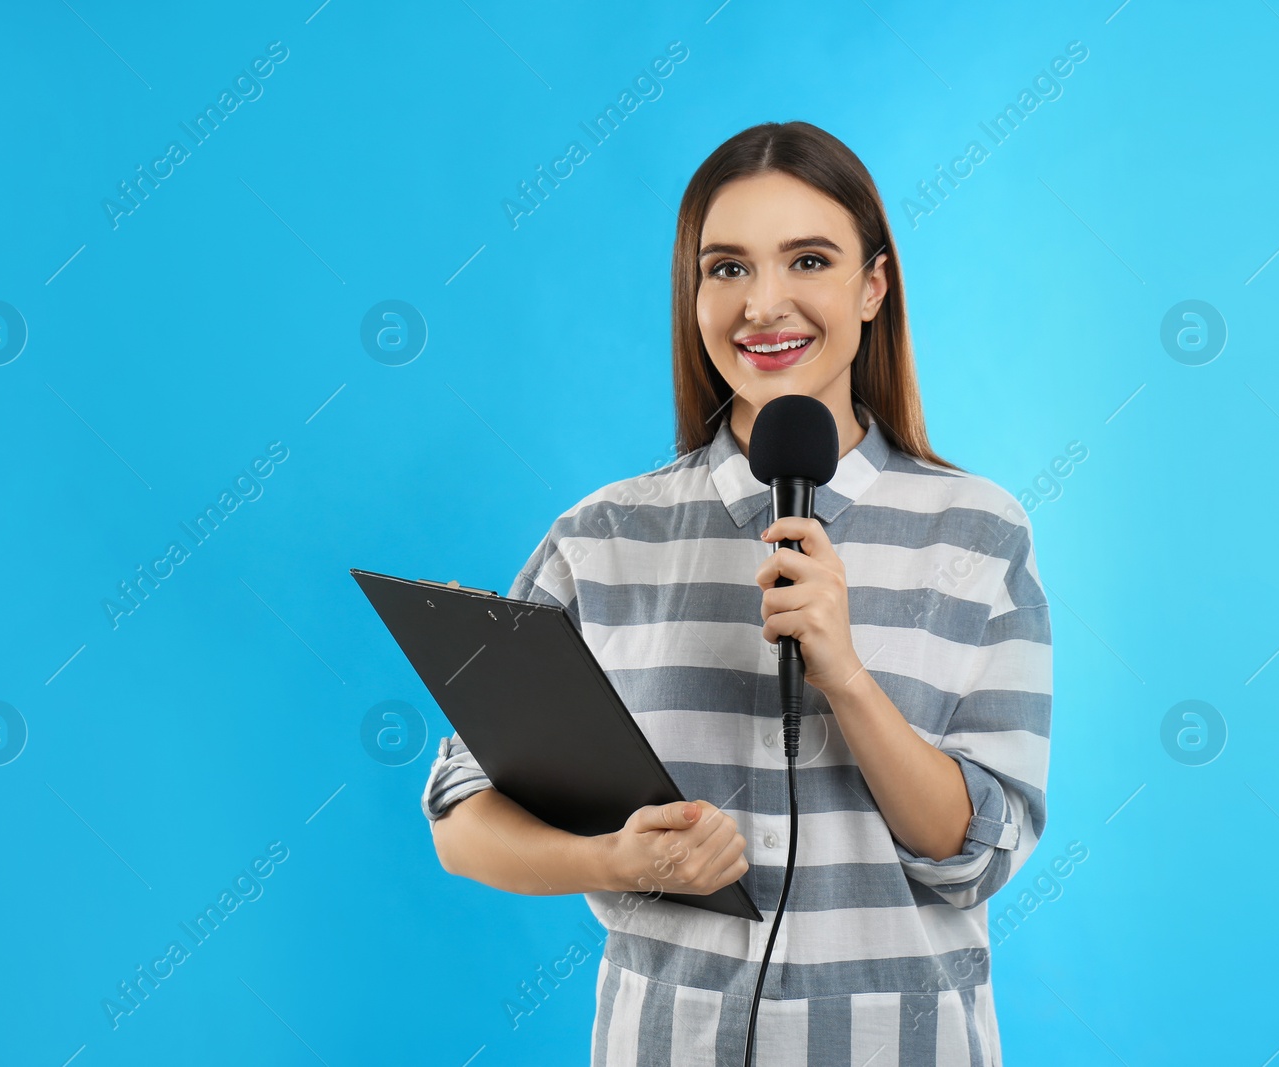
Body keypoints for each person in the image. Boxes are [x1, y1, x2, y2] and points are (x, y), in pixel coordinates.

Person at [422, 120, 1052, 1067]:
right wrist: (616, 862)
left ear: (873, 285)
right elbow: (462, 817)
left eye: (808, 259)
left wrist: (846, 676)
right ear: (693, 292)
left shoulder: (979, 532)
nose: (765, 304)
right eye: (726, 269)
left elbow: (978, 853)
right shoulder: (600, 539)